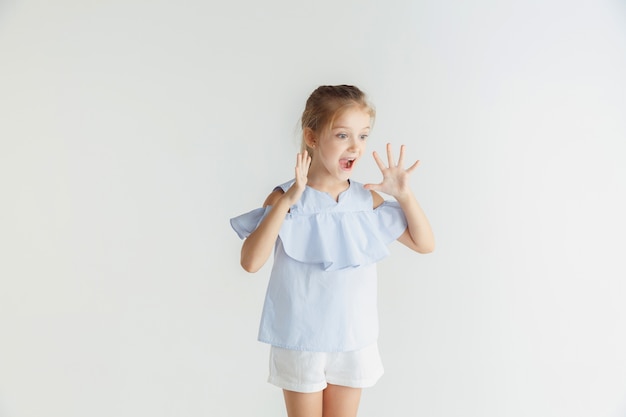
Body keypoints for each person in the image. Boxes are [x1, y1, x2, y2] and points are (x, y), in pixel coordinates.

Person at [230, 85, 434, 417]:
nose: (356, 146)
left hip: (353, 339)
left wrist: (405, 196)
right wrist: (286, 203)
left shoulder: (365, 201)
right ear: (311, 138)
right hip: (300, 341)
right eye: (342, 135)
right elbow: (250, 262)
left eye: (363, 136)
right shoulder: (285, 198)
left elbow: (424, 244)